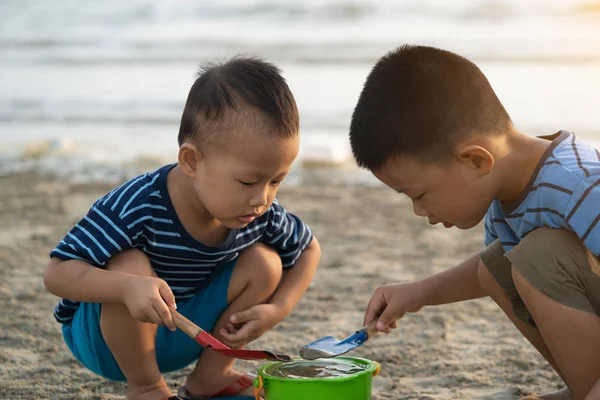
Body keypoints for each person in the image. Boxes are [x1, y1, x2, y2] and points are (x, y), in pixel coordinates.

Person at [43, 56, 321, 400]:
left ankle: (209, 379)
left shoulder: (260, 212)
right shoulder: (137, 204)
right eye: (248, 181)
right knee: (130, 264)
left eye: (276, 181)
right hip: (107, 341)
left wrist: (278, 307)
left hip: (187, 334)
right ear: (191, 161)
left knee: (266, 263)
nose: (262, 198)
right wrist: (127, 288)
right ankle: (146, 387)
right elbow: (56, 273)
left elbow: (308, 249)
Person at [348, 44, 600, 400]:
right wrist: (418, 293)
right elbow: (487, 270)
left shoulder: (580, 186)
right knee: (499, 265)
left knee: (537, 259)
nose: (419, 212)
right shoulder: (506, 193)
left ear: (476, 161)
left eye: (418, 194)